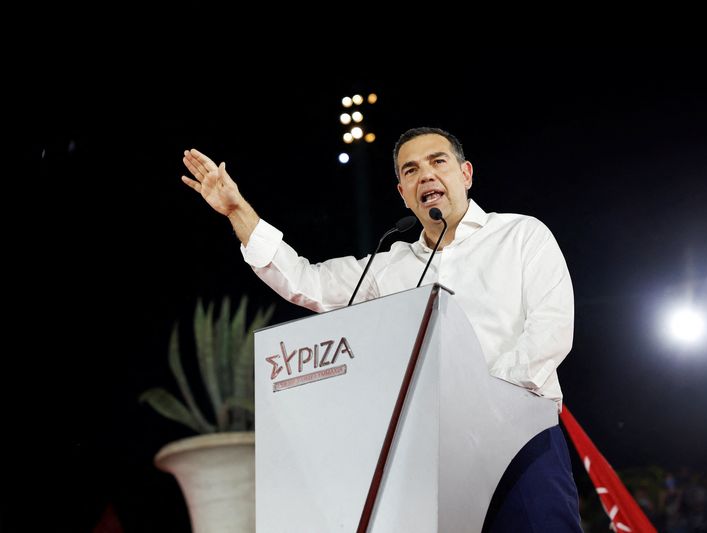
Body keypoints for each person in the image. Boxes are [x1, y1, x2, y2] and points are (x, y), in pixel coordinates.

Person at [181, 126, 582, 532]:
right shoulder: (390, 266)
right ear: (403, 193)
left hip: (523, 440)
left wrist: (483, 402)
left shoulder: (521, 235)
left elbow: (551, 329)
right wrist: (237, 211)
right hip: (431, 458)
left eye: (437, 161)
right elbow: (307, 281)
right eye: (411, 171)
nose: (425, 175)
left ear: (466, 174)